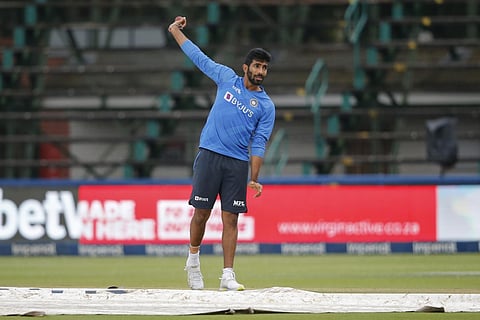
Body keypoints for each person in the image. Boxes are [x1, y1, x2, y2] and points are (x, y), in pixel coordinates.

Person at [168, 16, 276, 291]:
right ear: (246, 67)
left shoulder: (266, 105)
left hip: (237, 163)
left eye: (264, 67)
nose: (261, 71)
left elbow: (260, 142)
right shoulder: (227, 77)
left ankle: (227, 274)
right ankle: (193, 262)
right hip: (210, 155)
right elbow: (199, 57)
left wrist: (254, 176)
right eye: (257, 66)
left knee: (231, 219)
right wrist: (174, 31)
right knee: (201, 213)